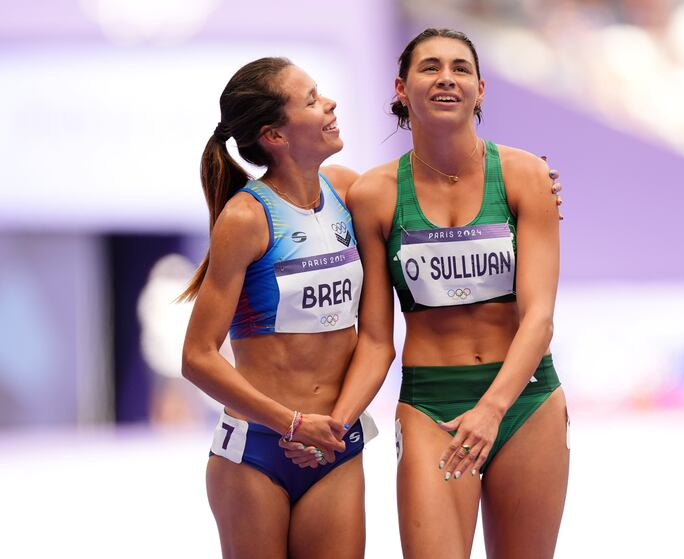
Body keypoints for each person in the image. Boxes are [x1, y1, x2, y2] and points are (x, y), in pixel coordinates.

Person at [327, 28, 569, 558]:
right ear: (400, 87)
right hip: (431, 408)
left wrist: (491, 410)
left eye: (460, 69)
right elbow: (374, 340)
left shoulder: (526, 176)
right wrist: (334, 424)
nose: (446, 78)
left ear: (481, 89)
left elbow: (539, 319)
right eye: (430, 67)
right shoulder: (374, 195)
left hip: (524, 401)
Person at [180, 57, 370, 559]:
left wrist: (528, 180)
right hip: (258, 452)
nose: (328, 103)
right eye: (310, 100)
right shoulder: (246, 217)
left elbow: (431, 188)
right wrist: (291, 424)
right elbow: (197, 357)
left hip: (335, 441)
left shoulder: (349, 191)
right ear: (275, 136)